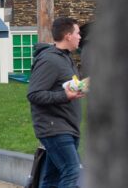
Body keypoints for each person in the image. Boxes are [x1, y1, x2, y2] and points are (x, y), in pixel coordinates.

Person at [28, 17, 85, 188]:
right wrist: (65, 96)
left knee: (52, 179)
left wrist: (79, 88)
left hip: (68, 126)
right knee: (72, 171)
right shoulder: (49, 60)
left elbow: (63, 88)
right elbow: (34, 94)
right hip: (55, 128)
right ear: (68, 36)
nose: (80, 37)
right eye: (77, 33)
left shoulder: (66, 59)